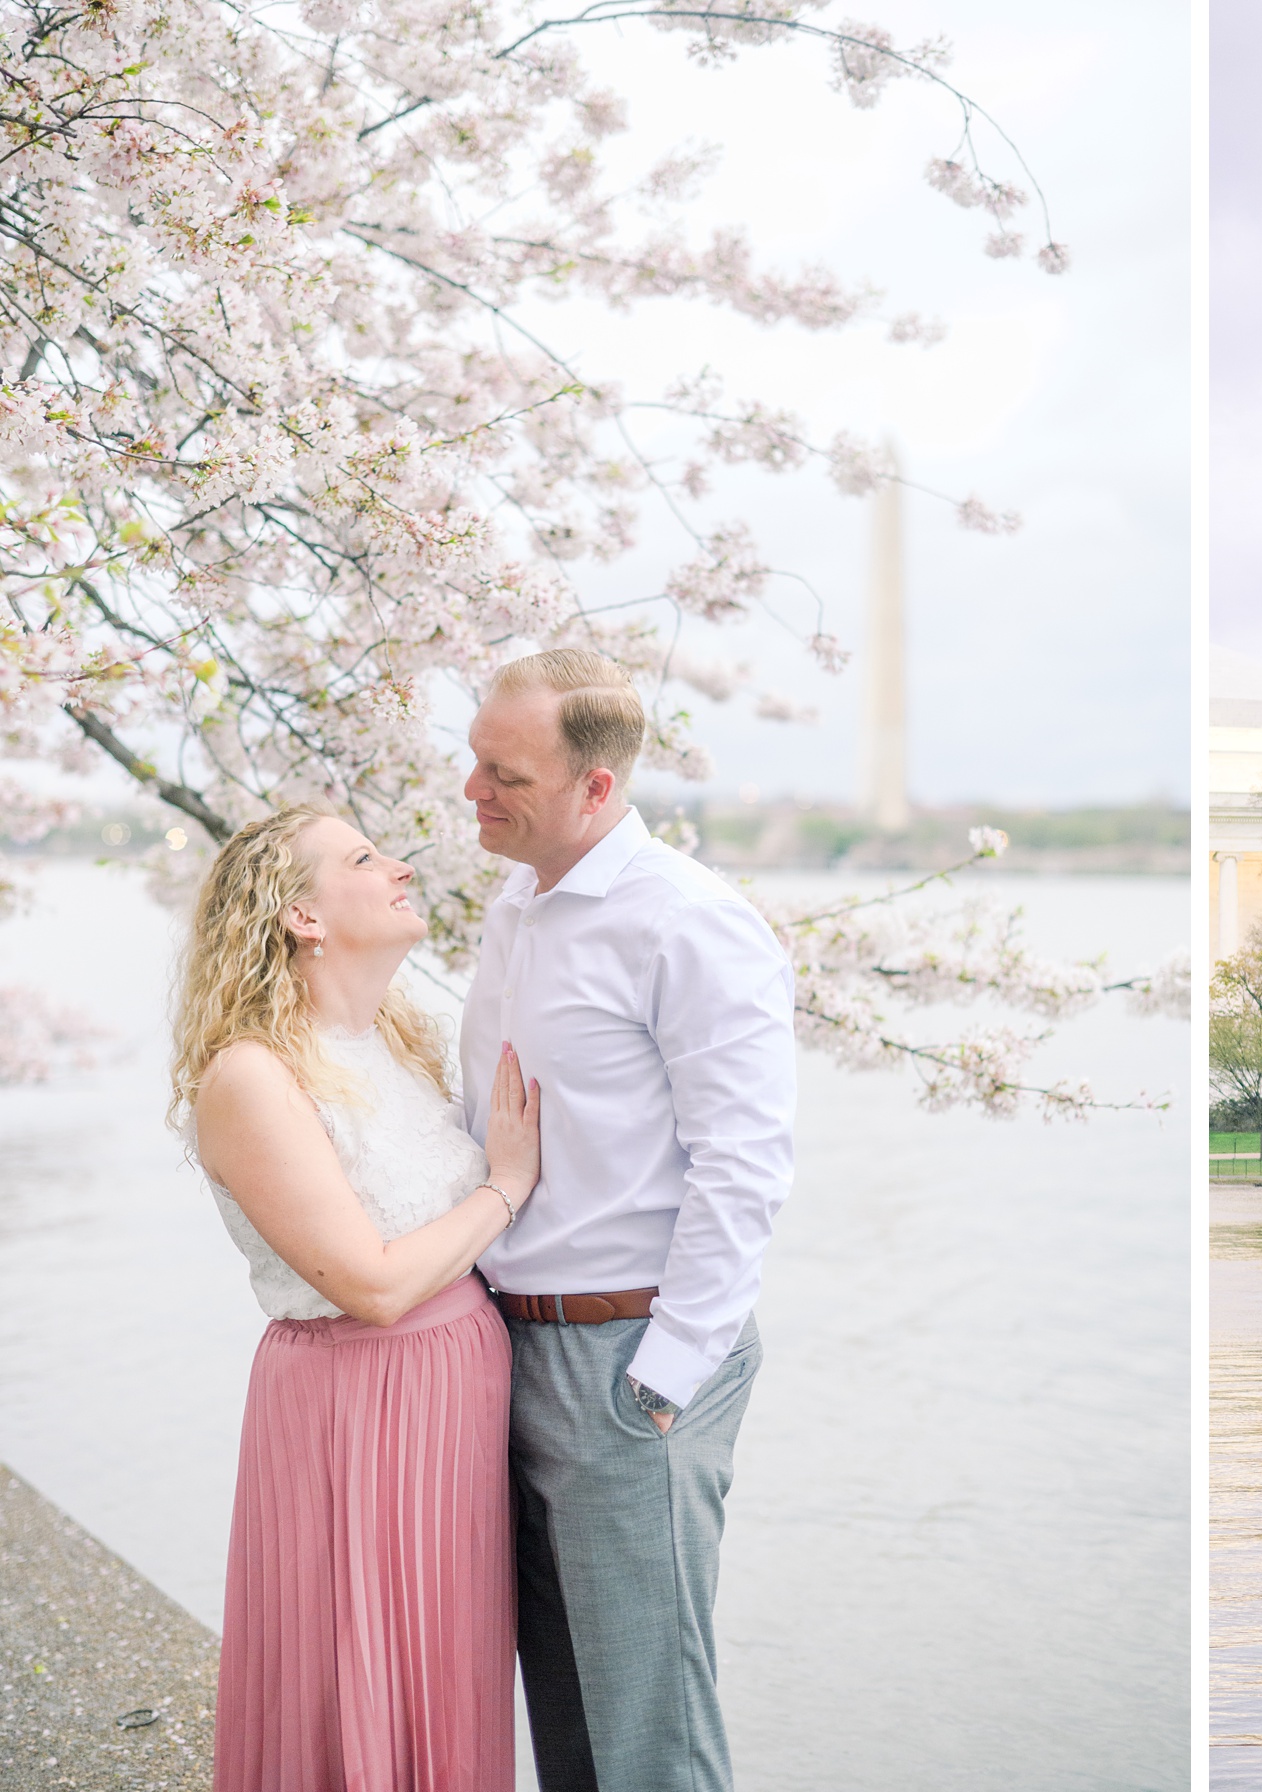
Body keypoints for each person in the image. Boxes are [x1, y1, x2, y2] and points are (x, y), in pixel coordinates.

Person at [459, 648, 797, 1792]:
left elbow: (743, 1161)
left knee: (648, 1724)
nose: (473, 792)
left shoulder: (687, 922)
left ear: (597, 787)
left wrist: (664, 1376)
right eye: (473, 763)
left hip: (627, 1359)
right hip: (510, 1346)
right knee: (562, 1705)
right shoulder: (517, 906)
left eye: (504, 772)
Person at [177, 807, 544, 1788]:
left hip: (453, 1399)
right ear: (302, 913)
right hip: (358, 1407)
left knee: (447, 1668)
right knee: (358, 1673)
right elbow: (375, 1284)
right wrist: (505, 1185)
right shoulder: (251, 1076)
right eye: (364, 857)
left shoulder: (399, 1039)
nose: (401, 866)